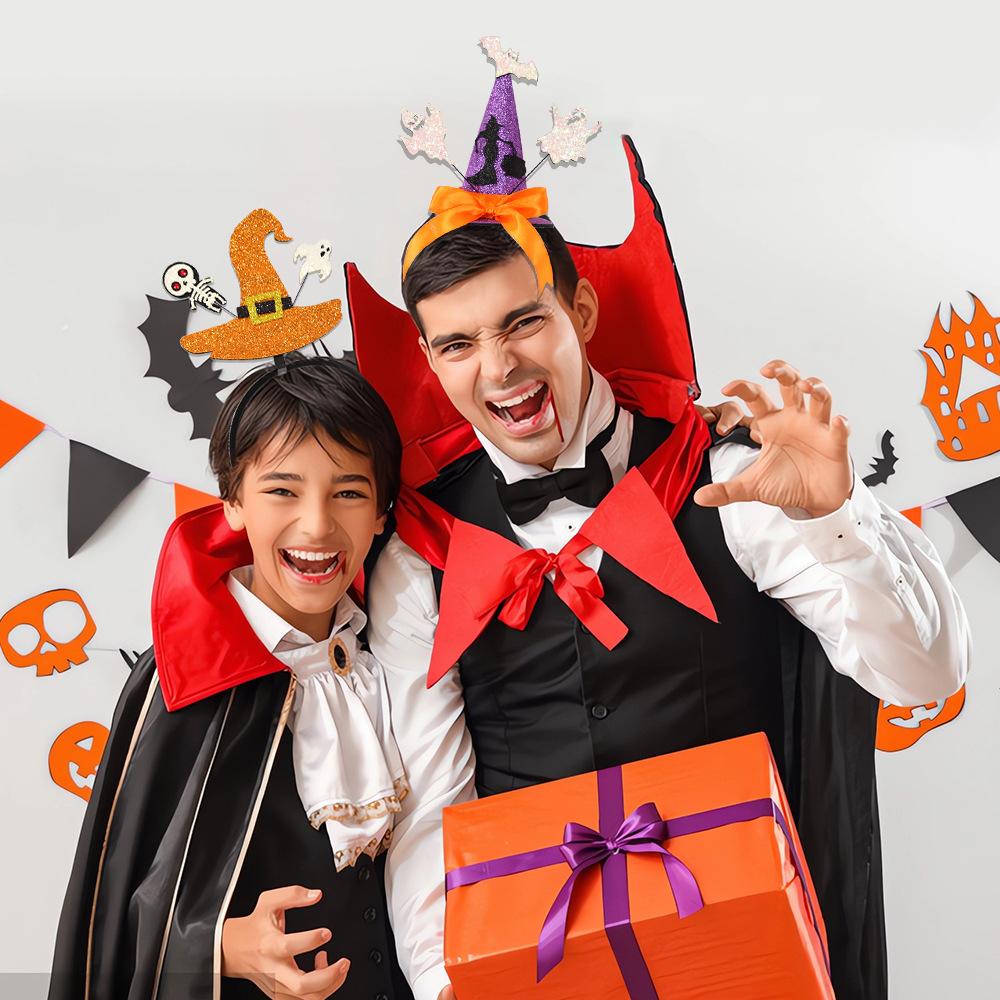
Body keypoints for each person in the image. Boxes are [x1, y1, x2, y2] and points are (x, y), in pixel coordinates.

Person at [347, 45, 973, 1000]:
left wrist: (840, 514)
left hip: (752, 958)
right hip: (542, 975)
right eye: (460, 344)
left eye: (523, 322)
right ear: (432, 364)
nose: (499, 368)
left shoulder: (729, 476)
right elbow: (433, 812)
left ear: (581, 309)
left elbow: (927, 674)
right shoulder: (419, 556)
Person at [49, 356, 415, 1000]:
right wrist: (216, 945)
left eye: (349, 493)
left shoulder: (394, 648)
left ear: (382, 511)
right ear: (233, 503)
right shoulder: (186, 676)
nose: (317, 525)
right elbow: (110, 918)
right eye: (282, 490)